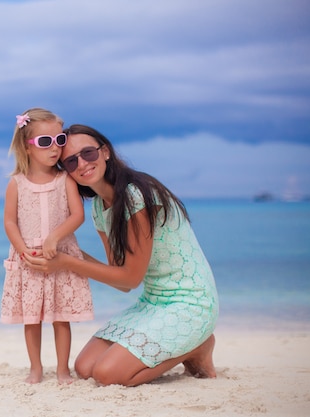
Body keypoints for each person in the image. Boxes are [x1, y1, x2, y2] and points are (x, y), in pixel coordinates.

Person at [22, 124, 219, 387]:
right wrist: (69, 252)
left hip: (190, 304)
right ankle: (185, 345)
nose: (82, 163)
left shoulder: (137, 195)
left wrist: (66, 262)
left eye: (88, 153)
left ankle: (197, 346)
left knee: (107, 375)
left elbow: (130, 280)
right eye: (70, 161)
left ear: (104, 153)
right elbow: (118, 279)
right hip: (153, 303)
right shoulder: (99, 210)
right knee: (84, 367)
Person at [0, 108, 94, 384]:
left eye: (59, 140)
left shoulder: (65, 180)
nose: (54, 148)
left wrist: (54, 238)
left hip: (61, 256)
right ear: (27, 148)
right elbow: (9, 222)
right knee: (32, 319)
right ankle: (36, 368)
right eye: (45, 142)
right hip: (29, 260)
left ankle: (63, 369)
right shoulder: (16, 184)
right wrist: (22, 250)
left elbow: (78, 215)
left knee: (60, 316)